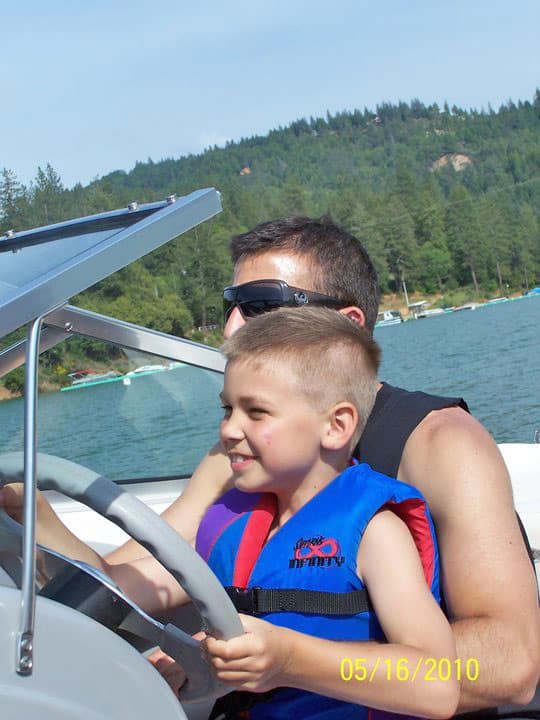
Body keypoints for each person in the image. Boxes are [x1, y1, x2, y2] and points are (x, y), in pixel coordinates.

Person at [2, 216, 539, 712]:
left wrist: (292, 661)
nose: (232, 328)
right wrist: (29, 512)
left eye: (261, 305)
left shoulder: (441, 444)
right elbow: (127, 585)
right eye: (232, 305)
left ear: (346, 326)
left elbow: (511, 665)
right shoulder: (239, 459)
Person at [1, 307, 460, 720]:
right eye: (227, 408)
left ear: (335, 426)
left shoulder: (376, 533)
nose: (228, 428)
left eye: (255, 412)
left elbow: (437, 686)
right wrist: (192, 660)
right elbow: (124, 590)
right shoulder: (233, 522)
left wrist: (288, 661)